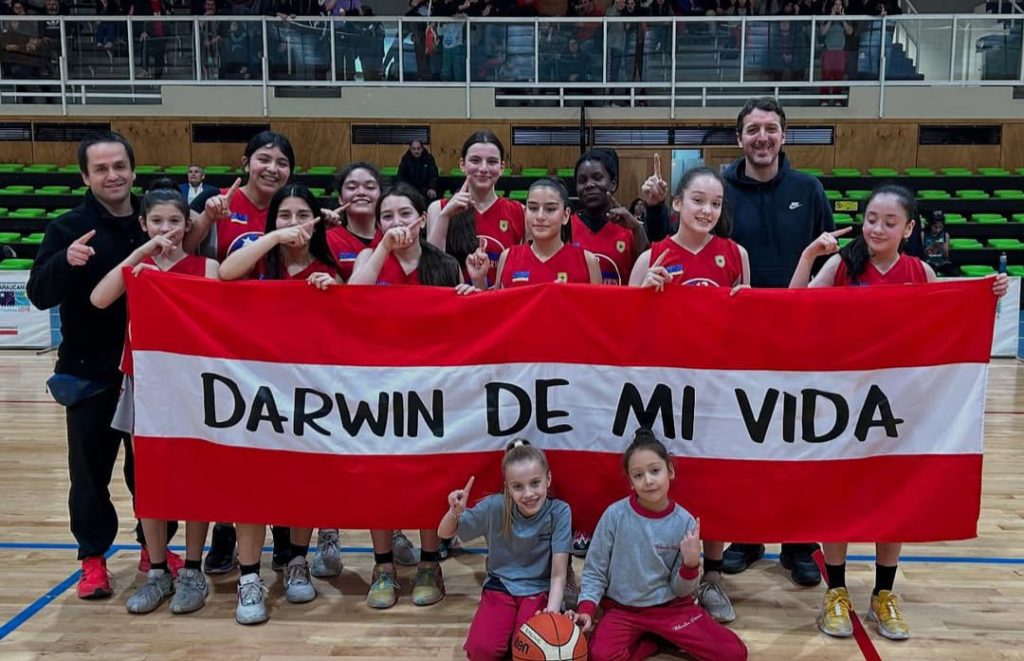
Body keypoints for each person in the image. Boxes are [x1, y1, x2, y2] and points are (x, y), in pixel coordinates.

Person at [789, 184, 1008, 641]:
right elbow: (795, 306)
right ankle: (838, 589)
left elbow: (948, 323)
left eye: (890, 222)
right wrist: (810, 255)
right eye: (871, 219)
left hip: (897, 405)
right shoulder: (842, 264)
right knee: (840, 494)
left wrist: (991, 293)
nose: (877, 228)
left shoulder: (920, 271)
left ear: (909, 228)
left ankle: (883, 593)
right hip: (843, 400)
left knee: (891, 495)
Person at [25, 131, 151, 600]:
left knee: (150, 472)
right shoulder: (66, 227)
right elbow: (39, 294)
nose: (113, 175)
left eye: (119, 165)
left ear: (133, 169)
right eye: (101, 168)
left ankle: (152, 550)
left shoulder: (150, 219)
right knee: (89, 475)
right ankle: (93, 559)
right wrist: (65, 261)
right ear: (85, 176)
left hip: (148, 373)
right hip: (88, 373)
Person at [719, 96, 834, 586]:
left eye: (770, 128)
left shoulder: (808, 189)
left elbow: (833, 258)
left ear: (784, 136)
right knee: (746, 436)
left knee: (799, 438)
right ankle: (746, 535)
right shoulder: (720, 188)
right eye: (752, 129)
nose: (761, 137)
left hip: (800, 336)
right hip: (738, 337)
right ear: (739, 138)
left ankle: (799, 541)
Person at [89, 187, 219, 616]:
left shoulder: (206, 267)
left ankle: (194, 570)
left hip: (198, 388)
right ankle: (157, 570)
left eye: (175, 221)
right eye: (157, 221)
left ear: (188, 225)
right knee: (150, 478)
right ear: (143, 224)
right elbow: (100, 298)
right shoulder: (137, 267)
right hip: (144, 386)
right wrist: (138, 257)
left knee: (200, 476)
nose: (167, 229)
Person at [628, 167, 748, 624]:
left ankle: (712, 575)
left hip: (716, 389)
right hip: (662, 391)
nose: (707, 211)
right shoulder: (653, 255)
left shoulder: (735, 254)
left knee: (714, 482)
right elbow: (625, 330)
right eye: (698, 201)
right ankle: (658, 569)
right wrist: (645, 294)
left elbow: (747, 325)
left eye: (715, 204)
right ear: (676, 204)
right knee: (659, 477)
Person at [217, 183, 340, 625]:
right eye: (284, 216)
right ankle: (250, 577)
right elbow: (225, 275)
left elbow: (352, 325)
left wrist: (337, 290)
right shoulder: (258, 261)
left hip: (310, 396)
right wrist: (270, 238)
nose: (293, 224)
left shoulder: (327, 267)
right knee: (253, 486)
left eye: (302, 215)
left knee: (304, 484)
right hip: (255, 393)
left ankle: (297, 561)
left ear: (317, 221)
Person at [347, 183, 460, 609]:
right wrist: (382, 250)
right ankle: (384, 566)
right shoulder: (368, 260)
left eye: (405, 214)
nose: (398, 223)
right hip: (375, 387)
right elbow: (351, 301)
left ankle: (430, 563)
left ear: (422, 219)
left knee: (429, 474)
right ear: (378, 224)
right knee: (381, 475)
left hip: (432, 388)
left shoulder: (445, 265)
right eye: (387, 216)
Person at [572, 429, 748, 661]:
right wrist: (586, 609)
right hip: (623, 611)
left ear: (670, 471)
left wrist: (691, 563)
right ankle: (652, 643)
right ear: (631, 482)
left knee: (733, 653)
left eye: (655, 470)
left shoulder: (684, 521)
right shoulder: (615, 515)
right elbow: (595, 571)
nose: (648, 480)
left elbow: (681, 590)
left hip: (671, 609)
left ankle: (662, 634)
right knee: (599, 656)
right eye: (638, 475)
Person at [438, 440, 572, 660]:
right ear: (508, 487)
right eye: (518, 486)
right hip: (500, 586)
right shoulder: (494, 506)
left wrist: (552, 612)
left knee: (531, 650)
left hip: (539, 589)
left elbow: (558, 574)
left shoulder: (560, 512)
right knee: (482, 651)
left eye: (535, 483)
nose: (528, 493)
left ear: (548, 479)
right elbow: (443, 534)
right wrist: (455, 511)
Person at [426, 129, 525, 287]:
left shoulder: (519, 211)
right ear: (462, 164)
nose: (483, 168)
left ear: (502, 167)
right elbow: (430, 268)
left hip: (501, 305)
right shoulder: (438, 208)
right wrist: (445, 217)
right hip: (454, 305)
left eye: (492, 162)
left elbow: (523, 270)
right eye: (475, 160)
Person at [478, 178, 601, 289]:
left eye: (550, 209)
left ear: (566, 215)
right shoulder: (508, 256)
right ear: (525, 212)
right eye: (533, 208)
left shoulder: (587, 261)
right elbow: (499, 309)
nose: (540, 216)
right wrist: (478, 281)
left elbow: (596, 312)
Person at [569, 149, 660, 288]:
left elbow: (649, 269)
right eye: (582, 180)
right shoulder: (566, 226)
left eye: (597, 177)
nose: (589, 185)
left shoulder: (630, 228)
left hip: (622, 308)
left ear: (613, 183)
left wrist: (637, 229)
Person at [325, 161, 383, 283]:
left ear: (381, 196)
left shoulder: (392, 236)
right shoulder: (327, 239)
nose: (361, 192)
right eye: (352, 187)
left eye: (370, 187)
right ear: (340, 198)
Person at [921, 210, 956, 276]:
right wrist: (931, 247)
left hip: (942, 262)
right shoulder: (923, 234)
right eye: (935, 227)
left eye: (940, 227)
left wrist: (941, 247)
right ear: (930, 225)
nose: (938, 230)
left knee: (953, 271)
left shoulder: (945, 235)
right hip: (929, 262)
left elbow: (946, 255)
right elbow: (922, 254)